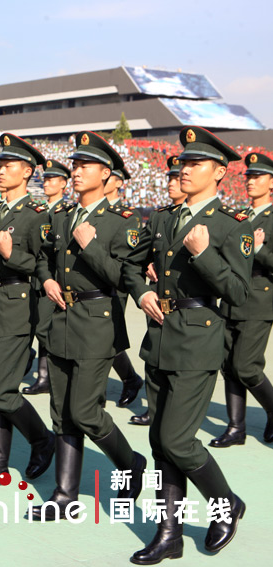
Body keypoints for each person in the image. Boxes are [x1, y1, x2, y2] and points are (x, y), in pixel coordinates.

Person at [124, 126, 249, 563]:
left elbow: (238, 293)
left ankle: (226, 504)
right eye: (184, 161)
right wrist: (140, 291)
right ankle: (169, 533)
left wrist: (204, 254)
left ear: (219, 172)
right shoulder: (162, 218)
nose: (185, 168)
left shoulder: (231, 226)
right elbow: (130, 264)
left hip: (197, 341)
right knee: (160, 443)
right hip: (158, 339)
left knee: (178, 440)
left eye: (196, 163)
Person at [30, 131, 146, 521]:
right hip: (60, 320)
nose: (76, 172)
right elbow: (45, 257)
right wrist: (46, 279)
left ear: (106, 173)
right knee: (61, 411)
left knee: (85, 411)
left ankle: (131, 463)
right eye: (75, 165)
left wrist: (91, 245)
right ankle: (65, 494)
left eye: (84, 166)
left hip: (97, 322)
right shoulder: (61, 215)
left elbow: (123, 278)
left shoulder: (122, 224)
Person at [0, 133, 55, 488]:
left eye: (8, 166)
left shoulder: (37, 215)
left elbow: (44, 265)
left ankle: (40, 439)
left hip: (19, 309)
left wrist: (10, 256)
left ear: (27, 172)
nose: (0, 171)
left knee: (1, 390)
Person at [209, 150, 273, 448]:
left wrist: (258, 250)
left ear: (271, 183)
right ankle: (236, 428)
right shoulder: (241, 217)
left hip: (259, 302)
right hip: (231, 300)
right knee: (228, 364)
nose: (250, 181)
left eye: (257, 177)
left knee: (246, 366)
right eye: (248, 176)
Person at [129, 155, 186, 427]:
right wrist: (147, 268)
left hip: (187, 302)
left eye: (177, 178)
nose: (172, 183)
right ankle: (153, 408)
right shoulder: (159, 217)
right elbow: (135, 257)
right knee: (154, 352)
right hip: (156, 296)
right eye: (170, 178)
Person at [23, 159, 72, 395]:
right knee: (35, 326)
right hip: (34, 278)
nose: (46, 183)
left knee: (45, 330)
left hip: (52, 281)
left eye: (52, 179)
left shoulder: (66, 212)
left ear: (64, 184)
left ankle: (46, 377)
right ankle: (43, 374)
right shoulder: (41, 210)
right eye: (45, 178)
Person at [103, 165, 145, 408]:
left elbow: (128, 258)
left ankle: (130, 378)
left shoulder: (128, 215)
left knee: (110, 336)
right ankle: (131, 378)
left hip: (113, 283)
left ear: (118, 182)